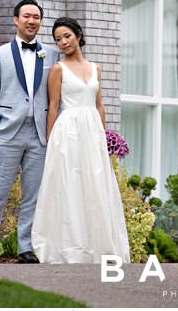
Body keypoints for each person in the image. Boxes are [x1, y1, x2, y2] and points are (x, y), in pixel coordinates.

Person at [31, 17, 130, 263]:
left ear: (78, 35)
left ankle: (98, 246)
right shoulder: (58, 69)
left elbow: (99, 105)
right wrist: (50, 140)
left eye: (67, 36)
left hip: (92, 131)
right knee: (70, 184)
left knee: (95, 185)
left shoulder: (95, 68)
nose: (63, 42)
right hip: (68, 132)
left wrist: (105, 137)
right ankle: (71, 247)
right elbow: (53, 107)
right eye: (58, 39)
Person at [0, 0, 56, 265]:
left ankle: (25, 248)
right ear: (16, 19)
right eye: (27, 16)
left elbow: (55, 97)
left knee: (33, 194)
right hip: (8, 132)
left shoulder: (51, 55)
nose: (32, 21)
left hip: (39, 135)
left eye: (37, 17)